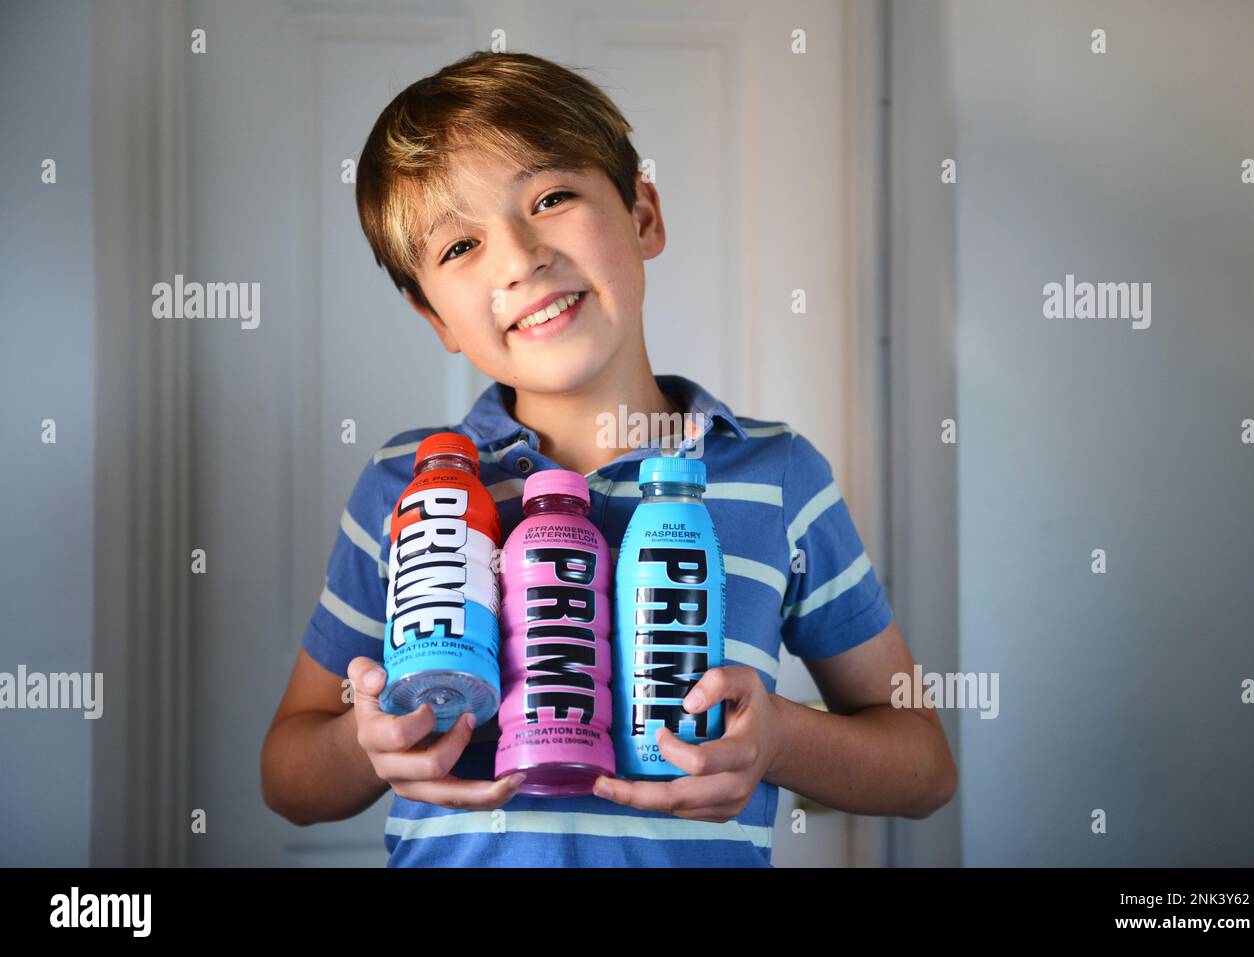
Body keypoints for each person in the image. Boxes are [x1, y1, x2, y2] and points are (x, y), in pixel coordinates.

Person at [260, 50, 956, 867]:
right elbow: (289, 778)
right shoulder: (409, 488)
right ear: (435, 318)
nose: (520, 258)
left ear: (643, 215)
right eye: (461, 247)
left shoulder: (777, 474)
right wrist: (364, 743)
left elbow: (924, 767)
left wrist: (782, 739)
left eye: (551, 199)